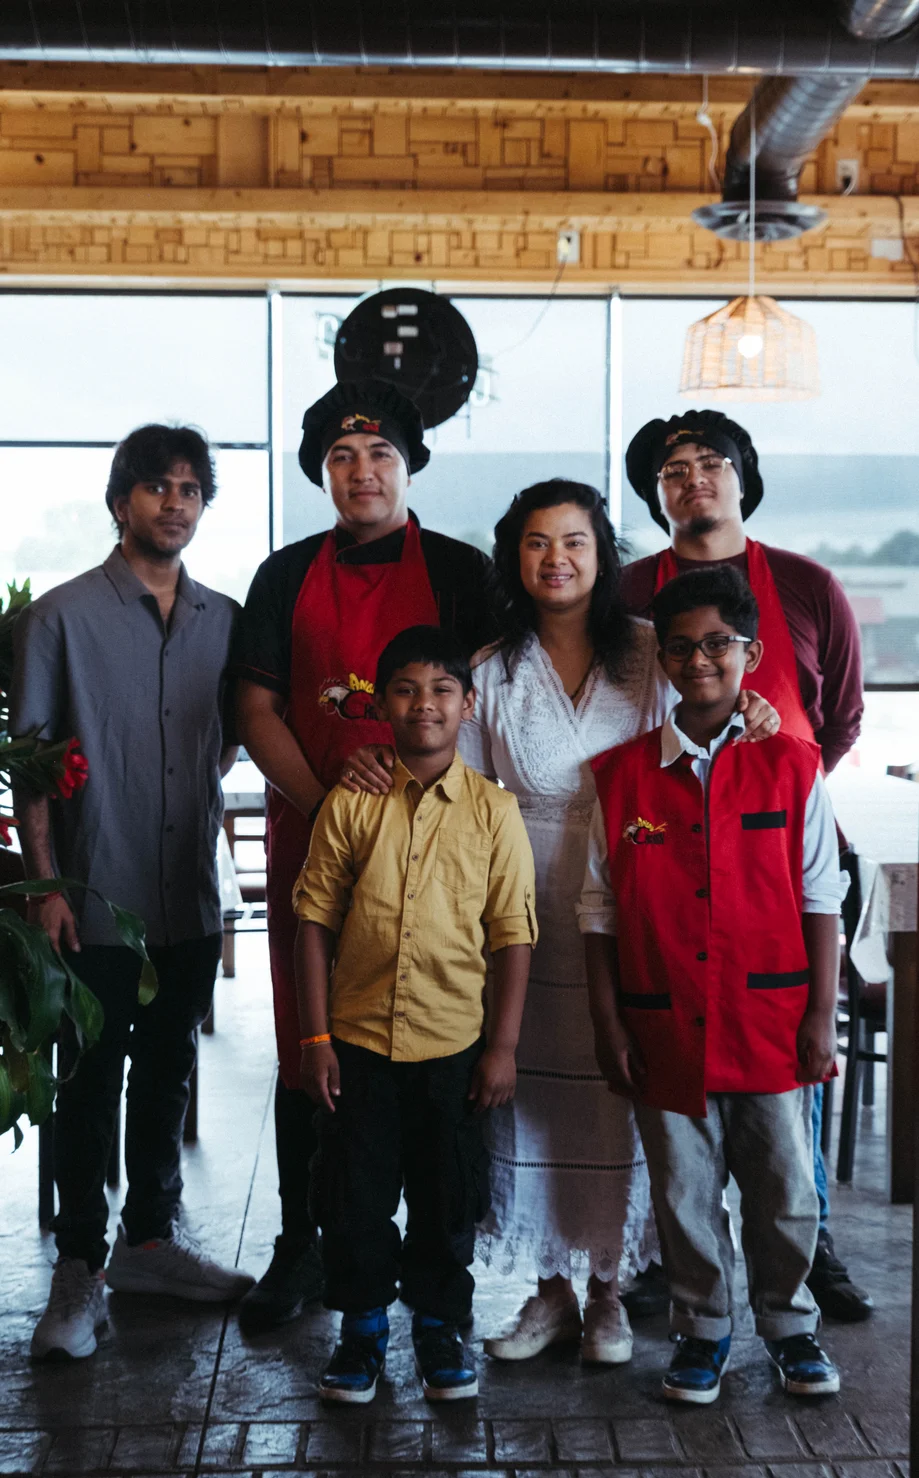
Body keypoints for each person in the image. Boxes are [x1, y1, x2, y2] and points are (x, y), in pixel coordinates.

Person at [345, 480, 779, 1366]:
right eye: (537, 544)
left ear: (601, 554)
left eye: (574, 542)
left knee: (617, 1089)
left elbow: (709, 723)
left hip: (641, 886)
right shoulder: (493, 668)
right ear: (515, 557)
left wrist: (753, 712)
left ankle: (610, 1292)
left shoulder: (655, 655)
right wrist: (371, 758)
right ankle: (546, 1292)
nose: (556, 560)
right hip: (518, 897)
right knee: (529, 1102)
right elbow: (448, 785)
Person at [232, 379, 498, 1334]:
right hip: (316, 844)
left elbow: (501, 700)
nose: (361, 472)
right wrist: (328, 803)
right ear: (321, 474)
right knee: (312, 1047)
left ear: (408, 464)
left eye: (379, 454)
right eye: (341, 458)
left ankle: (440, 1262)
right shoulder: (284, 574)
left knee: (435, 1052)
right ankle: (303, 1244)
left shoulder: (465, 572)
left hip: (441, 862)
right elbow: (254, 706)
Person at [621, 410, 870, 1323]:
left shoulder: (805, 585)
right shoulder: (624, 594)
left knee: (785, 1064)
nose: (692, 480)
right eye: (672, 470)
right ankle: (670, 1261)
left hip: (778, 855)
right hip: (660, 850)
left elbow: (837, 718)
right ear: (656, 494)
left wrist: (767, 792)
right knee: (670, 1073)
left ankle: (809, 1254)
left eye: (710, 464)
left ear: (741, 478)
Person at [13, 424, 254, 1362]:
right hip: (92, 894)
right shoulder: (60, 620)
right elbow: (29, 765)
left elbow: (226, 742)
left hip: (186, 896)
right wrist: (44, 887)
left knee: (167, 1073)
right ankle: (79, 1268)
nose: (175, 504)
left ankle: (151, 1241)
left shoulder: (223, 620)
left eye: (191, 489)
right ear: (121, 501)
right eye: (157, 487)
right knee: (88, 1082)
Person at [582, 564, 845, 1404]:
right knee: (683, 1190)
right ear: (659, 659)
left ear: (750, 652)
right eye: (681, 647)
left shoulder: (794, 766)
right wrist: (609, 1023)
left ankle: (790, 1325)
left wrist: (819, 1016)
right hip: (661, 1019)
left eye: (717, 645)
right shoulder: (618, 776)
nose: (699, 660)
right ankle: (700, 1330)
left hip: (769, 1016)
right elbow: (598, 912)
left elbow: (818, 898)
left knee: (782, 1187)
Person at [293, 626, 536, 1403]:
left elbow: (512, 933)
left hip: (452, 1044)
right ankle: (361, 1331)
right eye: (404, 689)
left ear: (468, 704)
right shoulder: (352, 800)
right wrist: (315, 1036)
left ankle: (438, 1328)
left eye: (440, 690)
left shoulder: (495, 812)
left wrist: (500, 1047)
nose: (422, 704)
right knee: (354, 1195)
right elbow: (312, 919)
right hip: (358, 1041)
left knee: (445, 1194)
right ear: (381, 703)